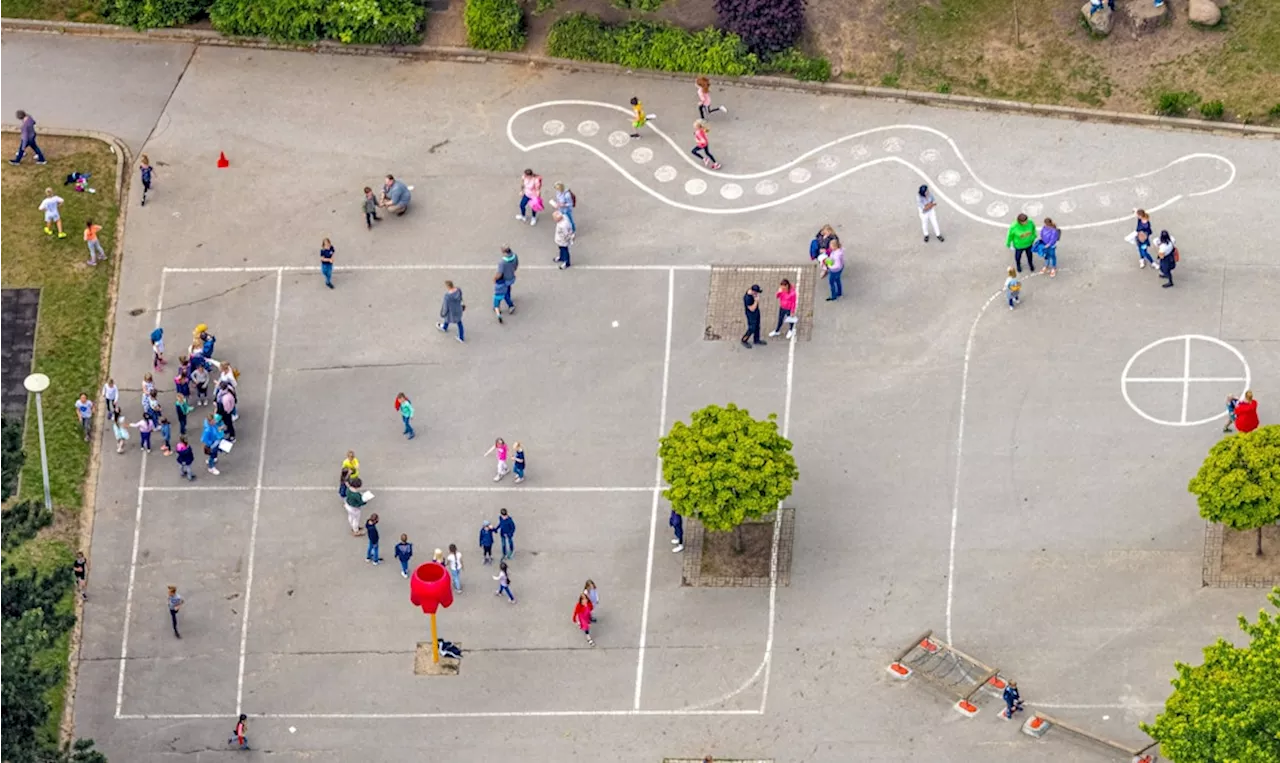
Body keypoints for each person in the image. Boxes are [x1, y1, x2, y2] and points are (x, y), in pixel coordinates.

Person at [741, 284, 765, 349]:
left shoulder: (753, 294)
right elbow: (752, 308)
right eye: (757, 292)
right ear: (753, 291)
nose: (757, 293)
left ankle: (756, 340)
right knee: (752, 328)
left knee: (757, 326)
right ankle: (744, 340)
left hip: (756, 312)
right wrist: (756, 301)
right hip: (751, 314)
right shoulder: (748, 298)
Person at [497, 246, 519, 312]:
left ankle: (511, 305)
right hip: (511, 276)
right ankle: (509, 297)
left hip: (505, 279)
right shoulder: (515, 256)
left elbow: (499, 273)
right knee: (508, 288)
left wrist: (495, 279)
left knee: (504, 293)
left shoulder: (502, 262)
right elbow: (516, 265)